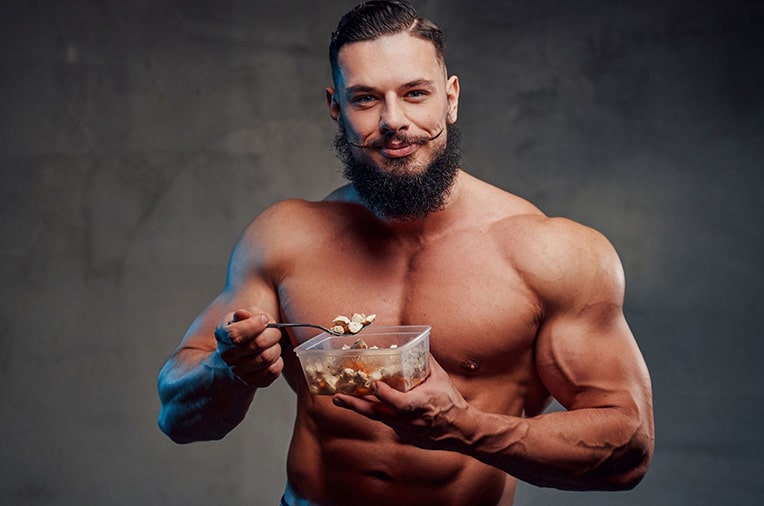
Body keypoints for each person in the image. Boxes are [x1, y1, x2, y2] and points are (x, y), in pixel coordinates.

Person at [157, 1, 654, 505]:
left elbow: (629, 451)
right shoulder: (286, 238)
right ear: (336, 108)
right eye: (366, 99)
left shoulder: (549, 254)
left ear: (451, 98)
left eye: (415, 94)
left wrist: (464, 428)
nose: (394, 121)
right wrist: (227, 368)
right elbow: (177, 418)